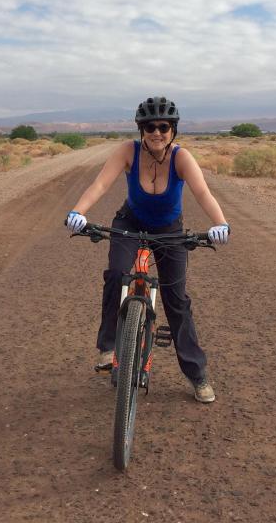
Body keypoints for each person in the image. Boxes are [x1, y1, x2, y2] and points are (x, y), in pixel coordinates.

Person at [64, 95, 230, 403]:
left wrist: (220, 224)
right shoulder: (128, 152)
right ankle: (109, 347)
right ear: (141, 129)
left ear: (173, 130)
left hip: (169, 230)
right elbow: (100, 185)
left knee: (176, 299)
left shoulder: (182, 158)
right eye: (150, 127)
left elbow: (203, 193)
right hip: (130, 222)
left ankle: (197, 375)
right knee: (116, 273)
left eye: (163, 127)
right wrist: (78, 212)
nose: (157, 133)